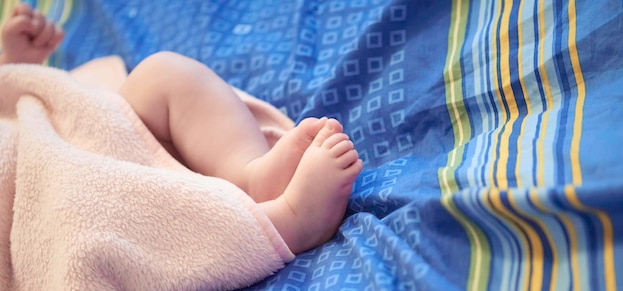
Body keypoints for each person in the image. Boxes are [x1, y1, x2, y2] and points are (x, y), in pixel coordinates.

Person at [0, 3, 363, 255]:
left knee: (162, 76)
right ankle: (289, 221)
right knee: (95, 210)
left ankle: (250, 174)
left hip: (78, 131)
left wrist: (13, 68)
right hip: (40, 202)